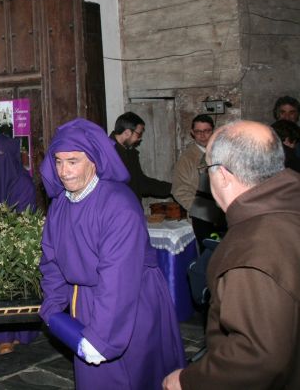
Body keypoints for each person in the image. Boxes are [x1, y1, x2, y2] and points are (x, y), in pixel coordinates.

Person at [40, 118, 184, 390]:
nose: (63, 171)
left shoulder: (118, 204)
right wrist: (53, 302)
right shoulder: (60, 204)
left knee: (135, 375)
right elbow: (52, 259)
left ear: (93, 160)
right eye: (58, 162)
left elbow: (118, 277)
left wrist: (102, 337)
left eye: (73, 161)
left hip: (131, 303)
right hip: (85, 300)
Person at [163, 120, 300, 389]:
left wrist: (187, 381)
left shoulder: (251, 249)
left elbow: (257, 357)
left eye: (207, 169)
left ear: (222, 175)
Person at [0, 134, 40, 355]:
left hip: (17, 242)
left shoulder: (23, 182)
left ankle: (20, 333)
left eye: (0, 155)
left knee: (17, 287)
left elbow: (26, 217)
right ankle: (3, 336)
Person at [171, 114, 224, 247]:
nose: (203, 135)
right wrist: (200, 210)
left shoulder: (223, 153)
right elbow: (179, 190)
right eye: (198, 131)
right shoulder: (186, 159)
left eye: (206, 131)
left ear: (213, 130)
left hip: (225, 214)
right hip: (202, 217)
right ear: (192, 133)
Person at [110, 111, 172, 201]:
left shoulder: (130, 152)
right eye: (138, 134)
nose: (140, 138)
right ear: (127, 133)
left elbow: (140, 183)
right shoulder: (107, 152)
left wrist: (170, 189)